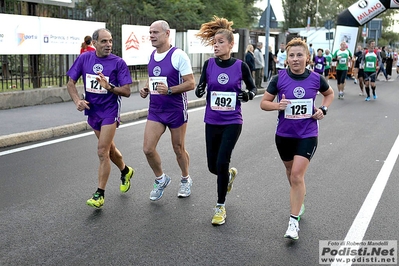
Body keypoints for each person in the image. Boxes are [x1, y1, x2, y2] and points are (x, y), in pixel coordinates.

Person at [260, 38, 334, 240]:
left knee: (297, 175)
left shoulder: (316, 79)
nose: (295, 59)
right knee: (290, 172)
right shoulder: (279, 78)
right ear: (286, 59)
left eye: (299, 55)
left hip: (308, 133)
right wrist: (278, 106)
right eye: (291, 55)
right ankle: (299, 196)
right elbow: (264, 103)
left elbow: (329, 94)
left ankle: (293, 222)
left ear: (307, 58)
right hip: (284, 135)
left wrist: (323, 110)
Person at [194, 16, 257, 226]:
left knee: (222, 161)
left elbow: (253, 88)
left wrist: (247, 95)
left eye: (220, 42)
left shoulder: (240, 66)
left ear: (231, 44)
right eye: (214, 42)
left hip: (232, 121)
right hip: (212, 120)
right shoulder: (208, 64)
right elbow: (201, 87)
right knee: (213, 166)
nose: (216, 45)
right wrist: (199, 89)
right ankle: (228, 175)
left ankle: (220, 206)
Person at [67, 28, 134, 208]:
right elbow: (70, 82)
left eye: (110, 41)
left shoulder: (118, 63)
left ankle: (99, 194)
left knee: (102, 150)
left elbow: (127, 91)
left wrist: (109, 86)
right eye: (104, 41)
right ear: (94, 43)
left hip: (109, 110)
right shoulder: (84, 58)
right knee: (109, 149)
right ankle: (126, 171)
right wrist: (77, 101)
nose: (108, 45)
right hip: (92, 110)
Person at [139, 20, 195, 201]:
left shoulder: (179, 55)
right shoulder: (152, 55)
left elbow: (191, 83)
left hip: (176, 109)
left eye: (155, 32)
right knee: (148, 148)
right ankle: (161, 178)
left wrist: (170, 90)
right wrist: (146, 88)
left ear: (167, 33)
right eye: (150, 33)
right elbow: (153, 78)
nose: (152, 36)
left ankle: (186, 178)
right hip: (156, 109)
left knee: (178, 149)